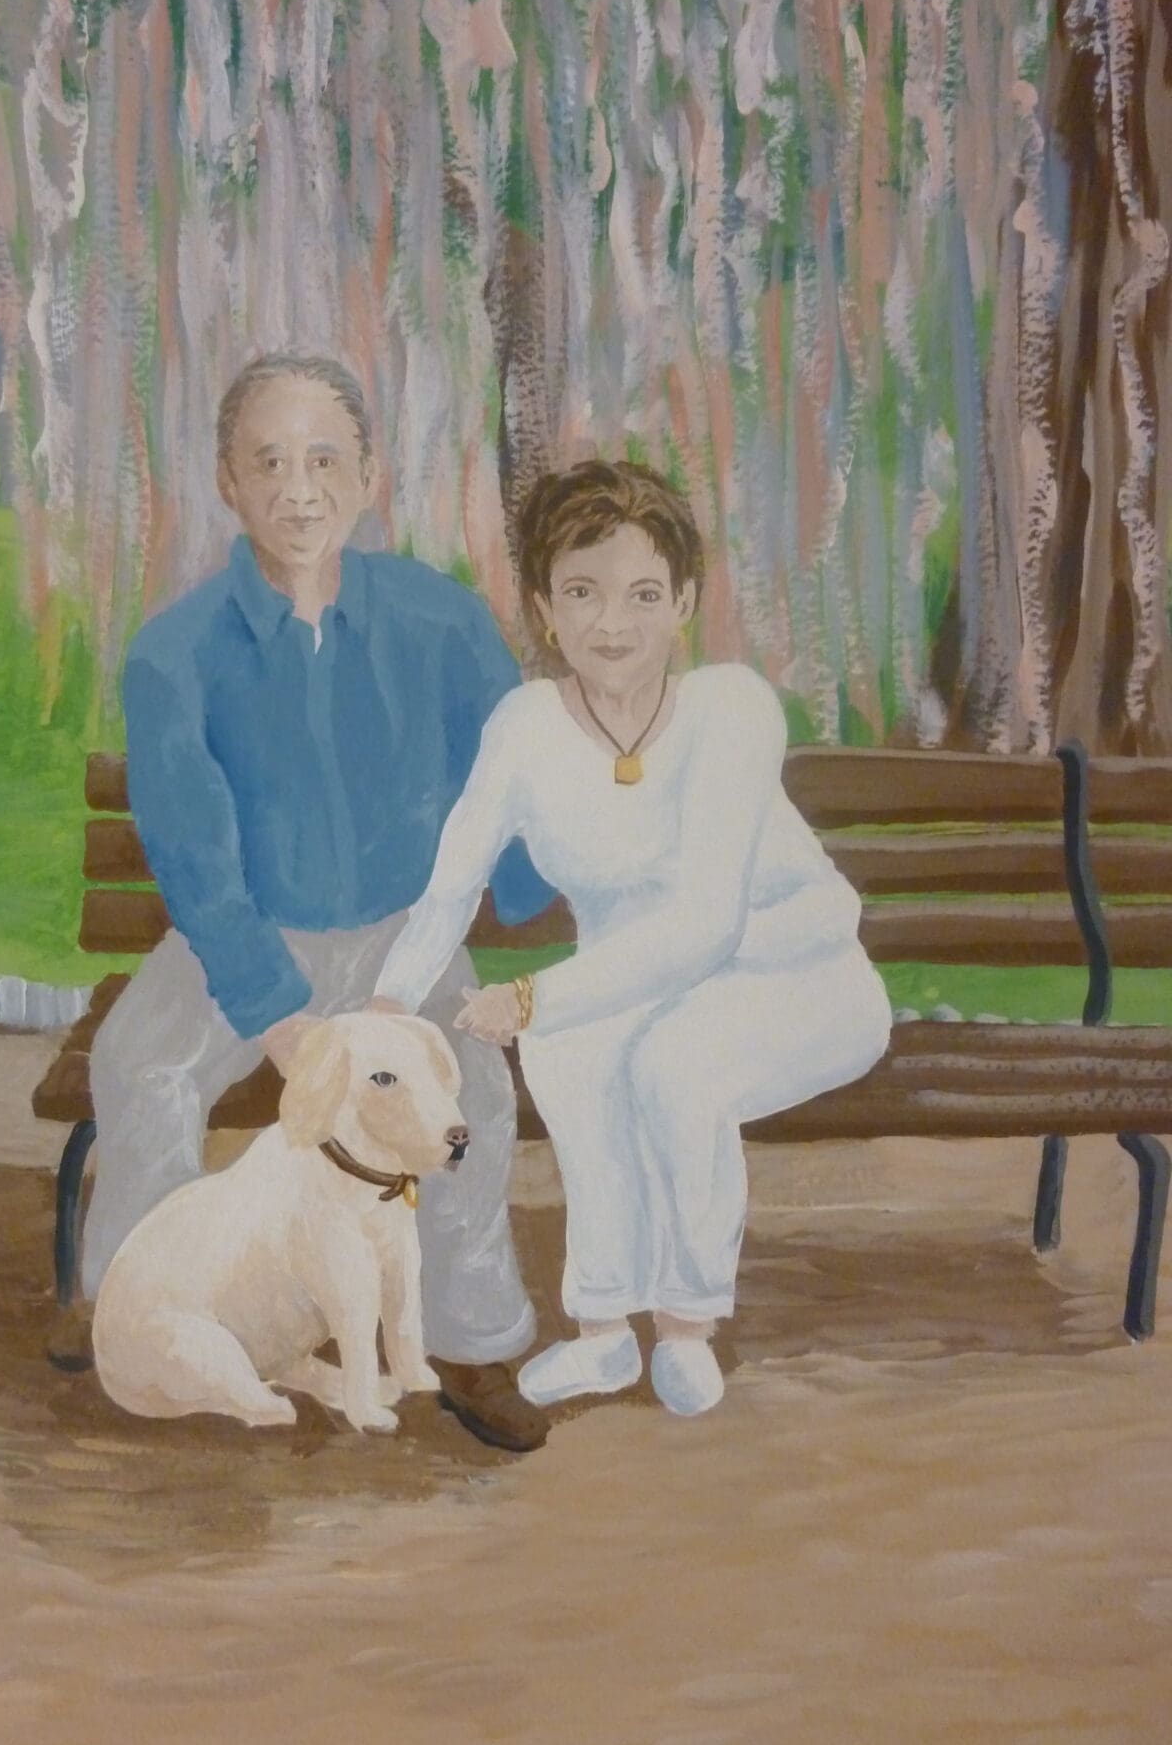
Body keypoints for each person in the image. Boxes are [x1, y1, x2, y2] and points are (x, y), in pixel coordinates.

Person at [79, 352, 558, 1453]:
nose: (300, 490)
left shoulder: (439, 622)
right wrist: (276, 1014)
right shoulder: (176, 655)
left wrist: (545, 889)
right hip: (245, 934)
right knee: (142, 1064)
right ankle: (133, 1304)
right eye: (270, 462)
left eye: (325, 460)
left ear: (372, 473)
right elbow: (196, 861)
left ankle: (472, 1341)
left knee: (471, 1089)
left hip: (402, 939)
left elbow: (512, 778)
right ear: (227, 482)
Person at [374, 459, 892, 1417]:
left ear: (684, 601)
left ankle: (689, 1325)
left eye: (642, 594)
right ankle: (605, 1331)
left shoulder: (730, 710)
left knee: (671, 1068)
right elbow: (451, 886)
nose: (613, 625)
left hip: (798, 978)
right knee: (570, 1051)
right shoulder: (525, 727)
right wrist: (387, 1010)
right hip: (639, 986)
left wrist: (532, 996)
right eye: (583, 593)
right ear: (545, 604)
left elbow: (703, 925)